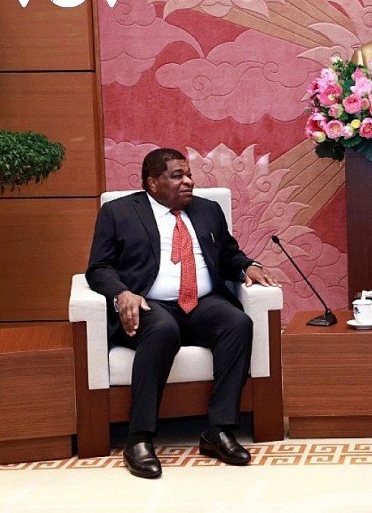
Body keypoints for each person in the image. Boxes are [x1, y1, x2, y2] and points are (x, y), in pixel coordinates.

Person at [86, 148, 280, 479]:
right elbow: (98, 268)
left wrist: (247, 266)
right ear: (152, 183)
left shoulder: (208, 210)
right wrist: (122, 294)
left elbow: (229, 255)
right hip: (150, 304)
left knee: (237, 322)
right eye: (178, 176)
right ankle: (139, 439)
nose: (188, 182)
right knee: (162, 329)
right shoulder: (118, 212)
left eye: (189, 175)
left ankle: (218, 430)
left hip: (202, 303)